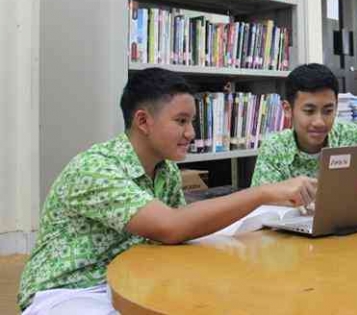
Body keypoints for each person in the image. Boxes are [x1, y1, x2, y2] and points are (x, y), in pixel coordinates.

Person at [18, 68, 317, 314]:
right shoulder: (95, 168)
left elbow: (183, 225)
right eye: (181, 121)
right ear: (143, 121)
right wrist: (262, 193)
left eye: (192, 122)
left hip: (131, 279)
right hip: (71, 291)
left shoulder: (166, 169)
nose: (191, 133)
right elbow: (171, 227)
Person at [251, 63, 357, 187]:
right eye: (309, 111)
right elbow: (262, 200)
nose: (319, 122)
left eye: (328, 111)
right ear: (287, 109)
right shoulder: (275, 148)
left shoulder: (355, 139)